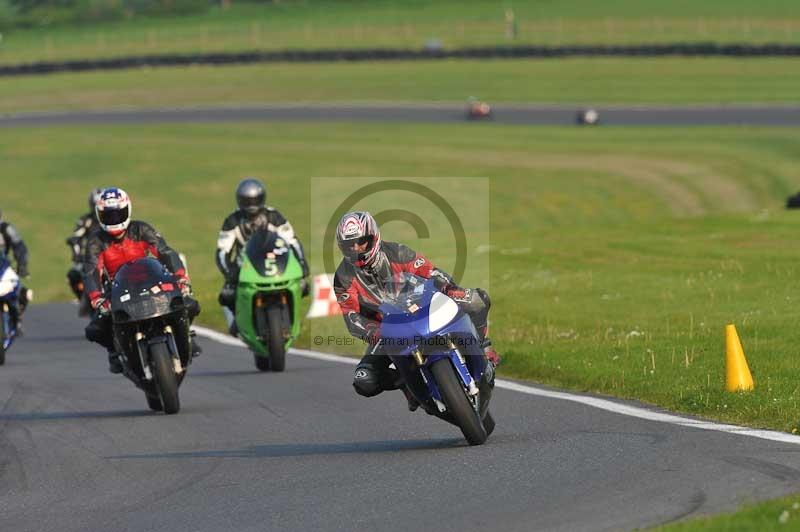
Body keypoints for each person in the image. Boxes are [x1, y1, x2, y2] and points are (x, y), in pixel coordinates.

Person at [333, 211, 500, 409]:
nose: (356, 249)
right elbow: (352, 317)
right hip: (388, 330)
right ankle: (408, 384)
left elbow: (430, 272)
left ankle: (484, 349)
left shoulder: (398, 252)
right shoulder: (343, 278)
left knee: (476, 300)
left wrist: (450, 289)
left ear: (374, 237)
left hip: (422, 310)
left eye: (362, 242)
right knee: (364, 380)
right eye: (349, 245)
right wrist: (378, 332)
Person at [83, 188, 200, 373]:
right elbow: (90, 270)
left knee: (189, 304)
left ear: (128, 210)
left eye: (118, 214)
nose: (114, 220)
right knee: (95, 329)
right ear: (99, 216)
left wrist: (181, 277)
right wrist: (97, 298)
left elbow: (165, 252)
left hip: (150, 281)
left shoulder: (141, 229)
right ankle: (114, 351)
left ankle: (186, 335)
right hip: (116, 288)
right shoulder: (96, 241)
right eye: (108, 216)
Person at [215, 178, 310, 335]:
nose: (251, 205)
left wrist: (302, 263)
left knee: (303, 286)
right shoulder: (232, 221)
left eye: (255, 200)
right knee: (226, 295)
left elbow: (292, 241)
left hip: (275, 262)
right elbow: (221, 252)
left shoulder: (274, 216)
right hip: (244, 267)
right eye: (247, 201)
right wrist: (230, 273)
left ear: (262, 199)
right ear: (240, 201)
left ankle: (292, 316)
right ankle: (239, 320)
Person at [66, 188, 103, 300]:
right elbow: (75, 238)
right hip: (90, 256)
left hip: (109, 254)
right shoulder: (86, 220)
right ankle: (82, 298)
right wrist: (77, 255)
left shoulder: (110, 218)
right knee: (73, 275)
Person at [0, 209, 31, 329]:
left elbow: (20, 247)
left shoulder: (6, 229)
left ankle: (17, 316)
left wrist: (22, 265)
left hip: (3, 266)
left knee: (21, 291)